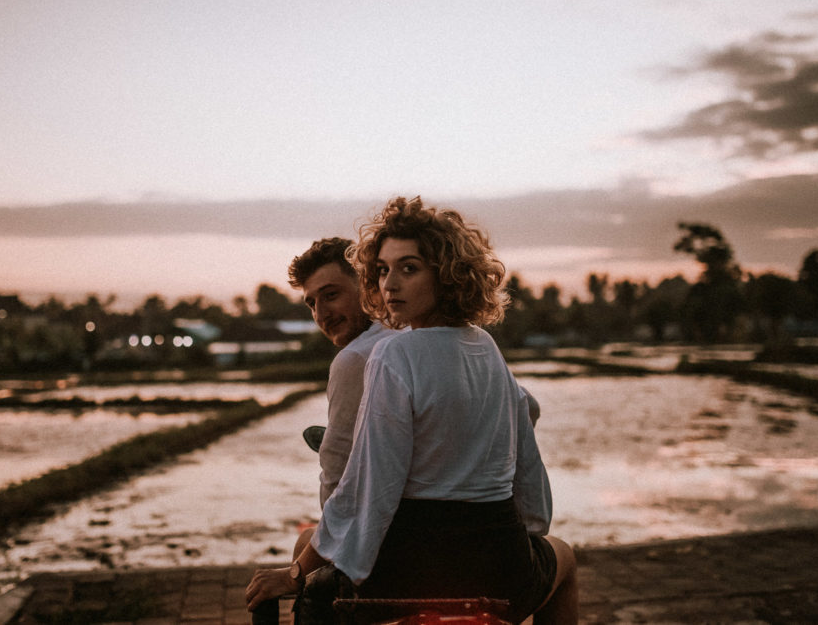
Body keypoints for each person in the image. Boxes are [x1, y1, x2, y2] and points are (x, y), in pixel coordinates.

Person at [247, 197, 577, 624]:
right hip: (502, 568)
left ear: (446, 273)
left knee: (314, 587)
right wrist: (531, 523)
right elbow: (527, 454)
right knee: (564, 558)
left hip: (410, 572)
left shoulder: (393, 353)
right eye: (382, 270)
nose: (390, 284)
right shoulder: (485, 346)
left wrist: (296, 572)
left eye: (409, 268)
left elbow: (370, 484)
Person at [286, 237, 396, 556]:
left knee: (305, 545)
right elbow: (527, 407)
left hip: (389, 546)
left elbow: (336, 474)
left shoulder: (356, 358)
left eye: (331, 295)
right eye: (311, 304)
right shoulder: (418, 335)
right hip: (474, 534)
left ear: (367, 285)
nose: (322, 313)